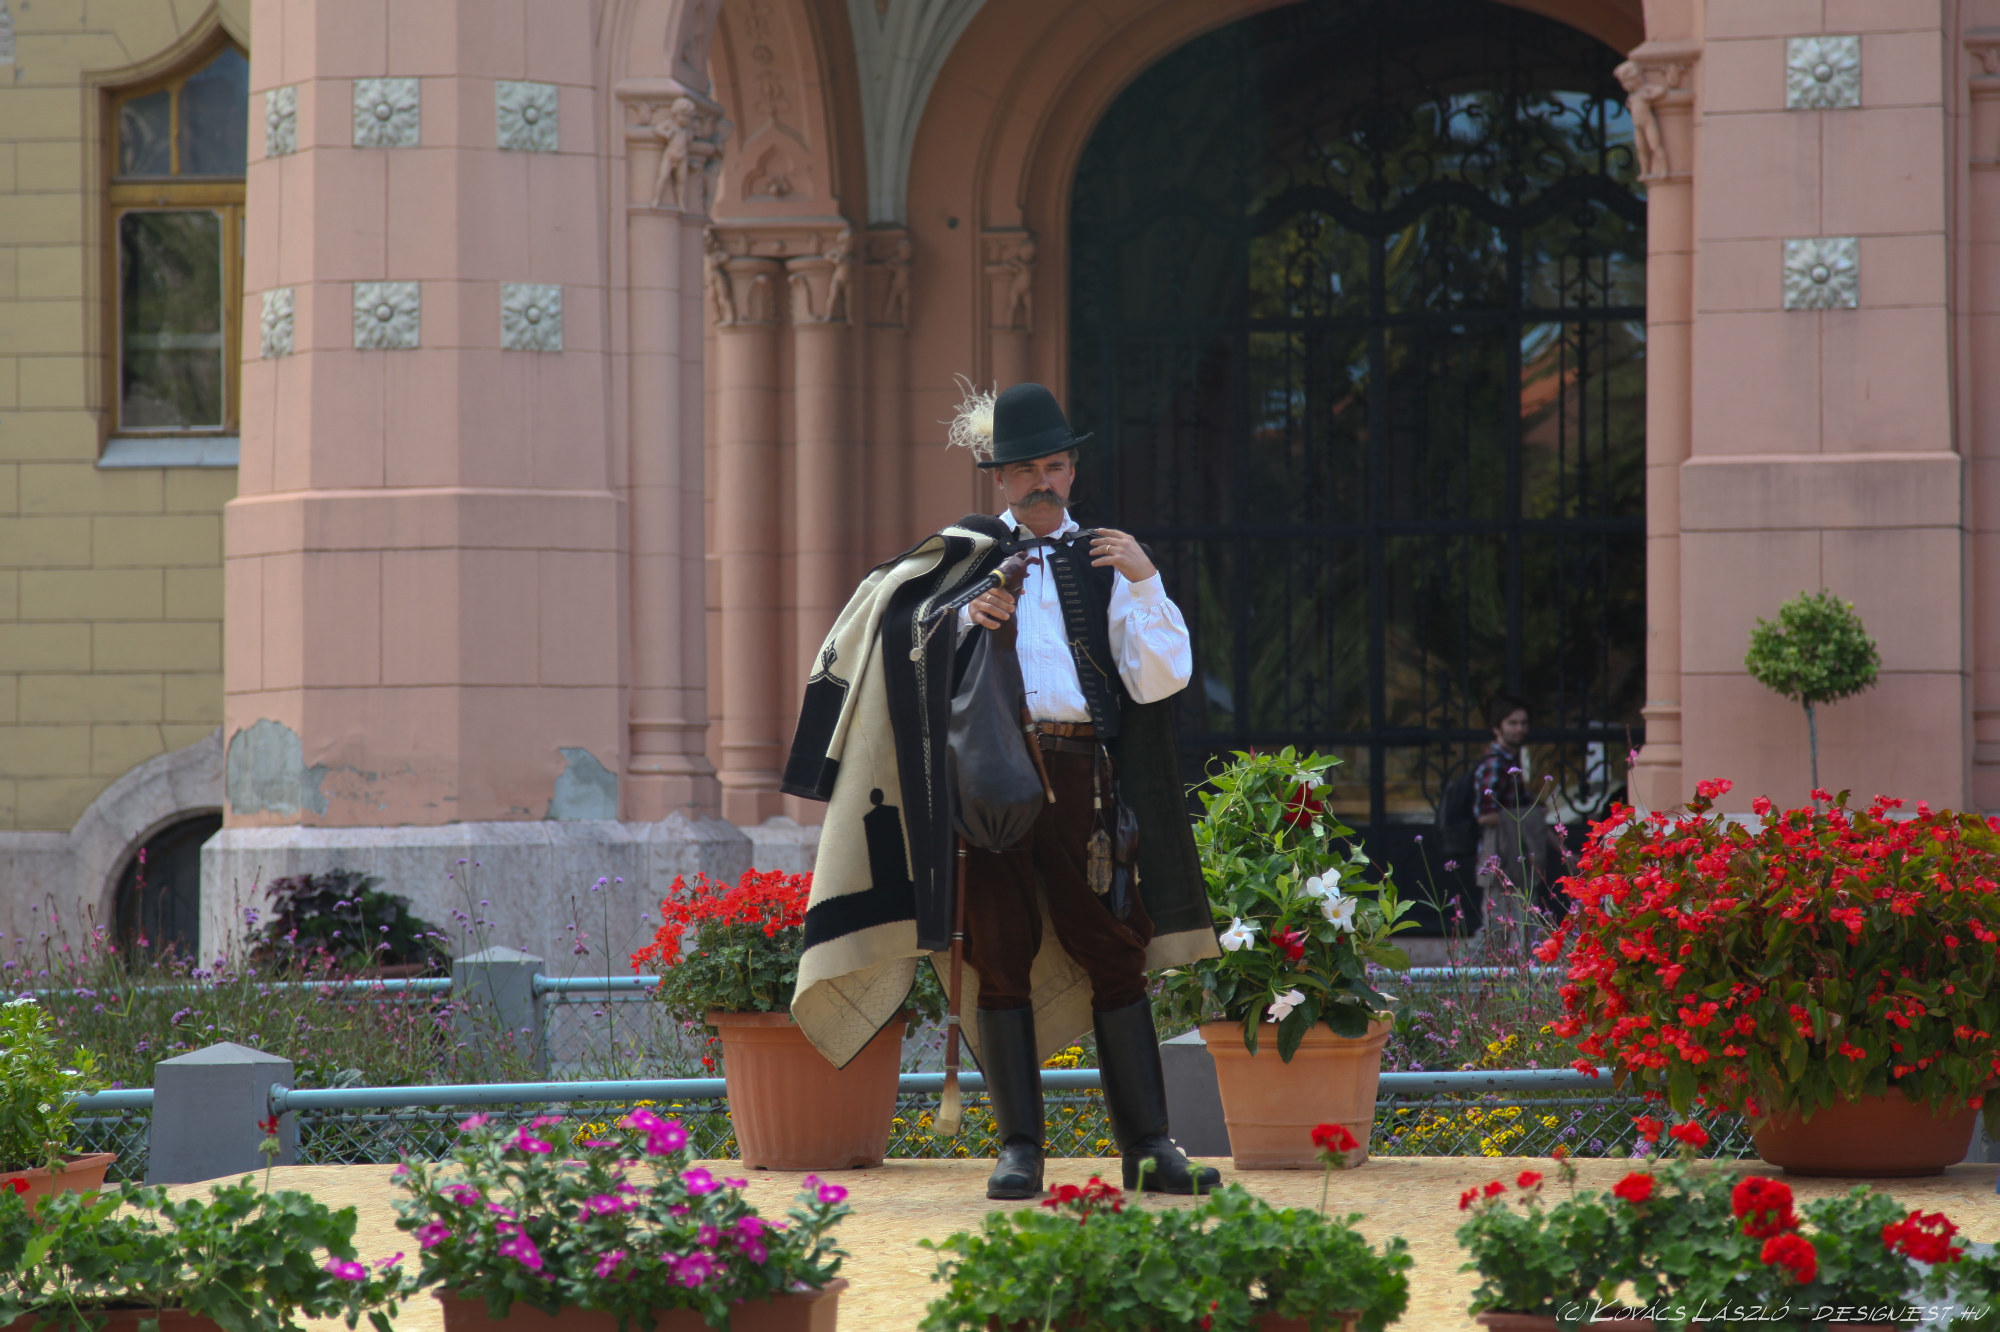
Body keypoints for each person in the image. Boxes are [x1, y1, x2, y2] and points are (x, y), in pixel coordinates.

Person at [781, 381, 1222, 1202]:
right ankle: (1021, 1149)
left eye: (1054, 467)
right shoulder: (965, 557)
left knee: (1115, 948)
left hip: (1085, 777)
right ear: (1001, 479)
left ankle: (1149, 1145)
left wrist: (1146, 580)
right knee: (998, 951)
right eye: (1025, 471)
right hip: (985, 784)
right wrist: (962, 623)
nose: (1042, 483)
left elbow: (1158, 681)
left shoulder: (1111, 560)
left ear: (1073, 470)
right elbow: (899, 650)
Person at [1469, 693, 1555, 950]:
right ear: (1497, 728)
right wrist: (1526, 816)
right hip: (1500, 854)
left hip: (1519, 854)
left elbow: (1529, 813)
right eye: (1512, 723)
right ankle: (1463, 969)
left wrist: (1561, 848)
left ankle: (1528, 968)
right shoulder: (1495, 764)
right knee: (1495, 930)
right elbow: (1484, 815)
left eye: (1523, 723)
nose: (1520, 729)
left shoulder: (1512, 762)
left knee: (1526, 923)